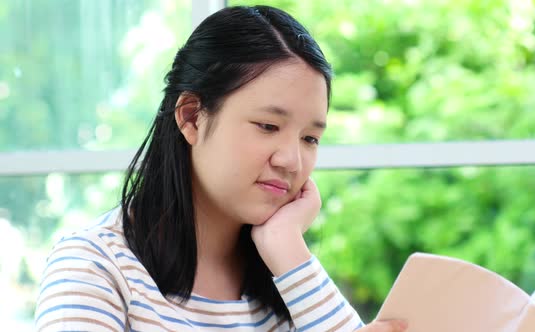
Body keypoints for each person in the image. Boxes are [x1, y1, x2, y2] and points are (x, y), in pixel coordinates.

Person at [34, 5, 408, 331]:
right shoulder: (94, 266)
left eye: (310, 138)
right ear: (192, 117)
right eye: (268, 126)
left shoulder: (289, 277)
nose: (291, 161)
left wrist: (287, 248)